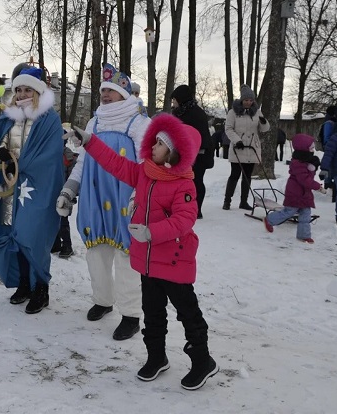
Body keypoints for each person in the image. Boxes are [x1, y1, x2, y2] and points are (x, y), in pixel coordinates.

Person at [69, 113, 219, 390]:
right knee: (152, 313)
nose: (152, 147)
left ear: (174, 153)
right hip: (148, 261)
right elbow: (115, 163)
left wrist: (152, 232)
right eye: (154, 142)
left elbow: (186, 219)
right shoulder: (145, 172)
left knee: (188, 313)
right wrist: (90, 142)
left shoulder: (183, 183)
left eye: (160, 144)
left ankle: (202, 360)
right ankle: (156, 357)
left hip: (174, 262)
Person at [56, 64, 149, 340]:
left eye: (111, 90)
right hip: (96, 199)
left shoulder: (138, 122)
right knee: (96, 254)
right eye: (103, 91)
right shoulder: (94, 123)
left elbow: (146, 164)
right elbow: (84, 162)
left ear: (124, 93)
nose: (105, 95)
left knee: (126, 258)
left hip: (126, 202)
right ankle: (103, 300)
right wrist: (69, 189)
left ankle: (131, 314)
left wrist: (140, 197)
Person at [0, 66, 63, 315]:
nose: (22, 93)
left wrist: (20, 166)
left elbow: (50, 156)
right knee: (15, 236)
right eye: (19, 89)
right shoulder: (9, 117)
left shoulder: (48, 120)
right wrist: (0, 153)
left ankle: (41, 288)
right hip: (11, 188)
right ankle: (24, 283)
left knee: (33, 237)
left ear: (37, 91)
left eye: (27, 89)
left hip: (37, 189)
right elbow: (0, 144)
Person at [263, 134, 326, 243]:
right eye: (311, 148)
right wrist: (317, 187)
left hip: (304, 193)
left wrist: (313, 167)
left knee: (305, 215)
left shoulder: (308, 160)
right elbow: (305, 180)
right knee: (289, 212)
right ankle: (269, 220)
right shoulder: (297, 163)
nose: (313, 150)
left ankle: (303, 235)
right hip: (295, 193)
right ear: (304, 149)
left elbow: (308, 177)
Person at [223, 84, 270, 211]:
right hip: (239, 148)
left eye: (251, 100)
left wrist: (264, 122)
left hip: (252, 148)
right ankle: (227, 200)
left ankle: (243, 201)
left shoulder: (257, 112)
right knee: (235, 175)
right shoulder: (233, 112)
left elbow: (264, 129)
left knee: (247, 176)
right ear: (242, 100)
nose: (248, 102)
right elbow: (228, 129)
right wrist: (237, 140)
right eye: (246, 100)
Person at [171, 85, 214, 218]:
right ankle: (185, 207)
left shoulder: (195, 113)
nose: (173, 103)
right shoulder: (181, 112)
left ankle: (196, 209)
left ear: (181, 99)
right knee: (187, 182)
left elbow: (198, 136)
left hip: (200, 154)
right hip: (186, 153)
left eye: (174, 100)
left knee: (196, 181)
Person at [51, 141, 77, 259]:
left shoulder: (68, 156)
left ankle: (67, 246)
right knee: (53, 219)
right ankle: (56, 244)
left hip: (65, 193)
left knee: (63, 220)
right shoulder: (52, 153)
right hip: (53, 192)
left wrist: (71, 194)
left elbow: (73, 176)